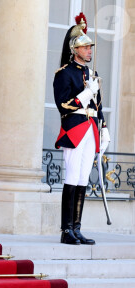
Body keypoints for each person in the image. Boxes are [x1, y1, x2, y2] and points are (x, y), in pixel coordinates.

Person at [54, 13, 110, 245]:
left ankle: (77, 228)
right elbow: (63, 104)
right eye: (85, 47)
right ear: (74, 49)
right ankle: (66, 230)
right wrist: (87, 92)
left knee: (83, 179)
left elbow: (98, 104)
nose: (89, 51)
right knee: (72, 176)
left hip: (91, 127)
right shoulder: (64, 74)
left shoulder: (91, 73)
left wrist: (103, 126)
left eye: (89, 47)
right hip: (74, 128)